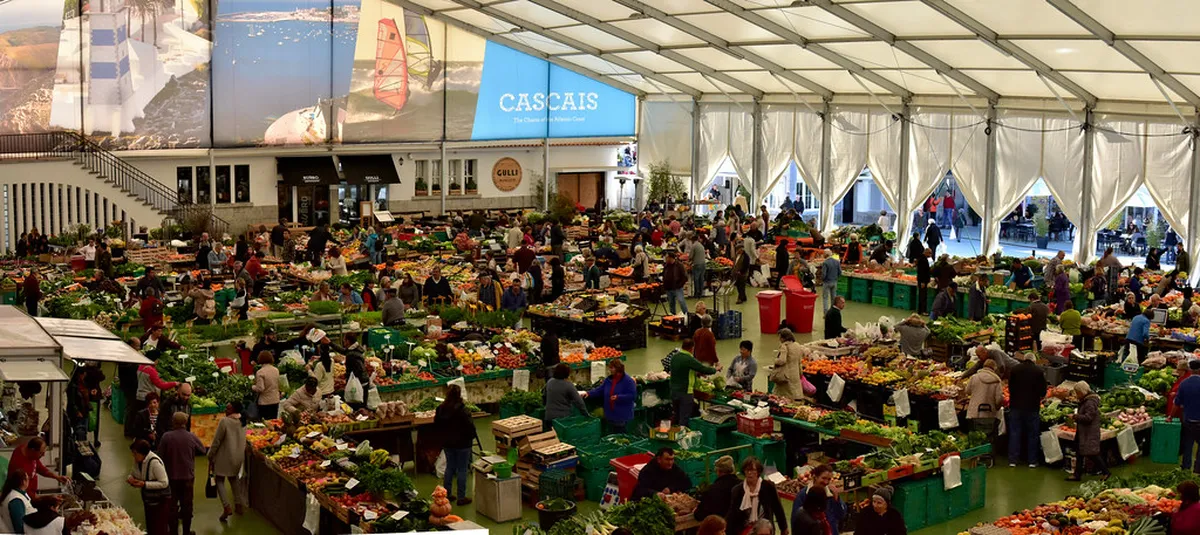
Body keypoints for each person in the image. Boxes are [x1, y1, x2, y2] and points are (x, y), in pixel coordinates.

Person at [157, 412, 206, 535]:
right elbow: (203, 450)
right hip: (188, 477)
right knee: (187, 506)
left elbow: (159, 456)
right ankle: (186, 531)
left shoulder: (166, 437)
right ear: (185, 423)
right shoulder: (191, 436)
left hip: (171, 477)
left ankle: (173, 532)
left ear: (173, 422)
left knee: (172, 506)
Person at [435, 384, 476, 506]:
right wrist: (471, 437)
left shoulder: (441, 409)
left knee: (450, 467)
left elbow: (437, 425)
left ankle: (446, 494)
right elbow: (469, 427)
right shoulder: (462, 410)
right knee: (462, 469)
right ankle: (461, 497)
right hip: (463, 444)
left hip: (448, 443)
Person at [726, 457, 788, 535]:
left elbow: (778, 508)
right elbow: (733, 514)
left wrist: (784, 528)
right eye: (747, 470)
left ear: (758, 472)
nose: (749, 473)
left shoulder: (768, 487)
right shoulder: (737, 490)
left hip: (765, 529)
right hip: (745, 530)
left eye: (752, 470)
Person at [208, 401, 247, 521]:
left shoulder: (224, 421)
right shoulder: (243, 421)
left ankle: (226, 506)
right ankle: (238, 504)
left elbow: (217, 441)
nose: (226, 410)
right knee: (233, 479)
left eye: (228, 409)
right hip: (238, 457)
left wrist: (210, 455)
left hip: (225, 456)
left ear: (234, 410)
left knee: (219, 479)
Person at [1008, 352, 1047, 468]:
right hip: (1032, 407)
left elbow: (1010, 387)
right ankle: (1032, 461)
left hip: (1015, 406)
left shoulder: (1015, 370)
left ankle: (1013, 460)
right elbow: (1043, 392)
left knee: (1014, 433)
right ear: (1034, 360)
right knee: (1032, 434)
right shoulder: (1039, 371)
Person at [669, 339, 718, 426]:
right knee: (684, 418)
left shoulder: (675, 357)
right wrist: (715, 369)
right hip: (685, 392)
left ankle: (674, 433)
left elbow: (682, 370)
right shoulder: (689, 359)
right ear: (692, 348)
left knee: (677, 415)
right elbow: (704, 369)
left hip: (674, 391)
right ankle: (683, 436)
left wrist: (697, 373)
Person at [1068, 381, 1109, 481]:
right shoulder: (1086, 400)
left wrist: (1075, 417)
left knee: (1092, 453)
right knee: (1079, 452)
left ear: (1082, 391)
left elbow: (1088, 417)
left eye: (1078, 392)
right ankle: (1077, 474)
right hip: (1083, 431)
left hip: (1088, 432)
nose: (1077, 395)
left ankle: (1106, 472)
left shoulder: (1090, 402)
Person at [128, 439, 171, 535]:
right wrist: (130, 478)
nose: (133, 456)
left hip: (160, 500)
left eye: (135, 453)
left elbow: (164, 482)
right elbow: (133, 473)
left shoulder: (155, 463)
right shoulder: (138, 461)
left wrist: (144, 484)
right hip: (149, 499)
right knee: (151, 525)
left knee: (159, 527)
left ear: (143, 453)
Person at [584, 360, 637, 434]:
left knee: (620, 434)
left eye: (612, 368)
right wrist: (588, 393)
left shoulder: (628, 381)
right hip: (610, 414)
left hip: (621, 415)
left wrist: (618, 397)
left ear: (618, 369)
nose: (610, 370)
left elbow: (632, 396)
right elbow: (600, 390)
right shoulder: (608, 380)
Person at [791, 465, 846, 535]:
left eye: (829, 479)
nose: (826, 482)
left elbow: (841, 515)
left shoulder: (831, 494)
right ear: (815, 477)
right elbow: (795, 521)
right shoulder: (803, 495)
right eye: (823, 478)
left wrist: (837, 500)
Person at [967, 360, 1004, 447]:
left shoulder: (974, 377)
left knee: (975, 436)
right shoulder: (997, 381)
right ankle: (989, 451)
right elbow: (998, 399)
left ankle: (975, 453)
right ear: (994, 368)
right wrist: (998, 407)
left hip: (974, 413)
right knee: (989, 436)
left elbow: (967, 391)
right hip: (990, 415)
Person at [695, 455, 740, 521]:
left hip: (721, 527)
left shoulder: (712, 490)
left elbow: (699, 515)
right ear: (733, 469)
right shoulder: (742, 485)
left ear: (718, 471)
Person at [23, 495, 95, 535]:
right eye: (57, 507)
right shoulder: (60, 522)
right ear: (51, 508)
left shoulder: (25, 521)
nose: (58, 510)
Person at [1176, 359, 1200, 471]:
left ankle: (1186, 467)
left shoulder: (1184, 383)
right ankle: (1198, 469)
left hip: (1188, 420)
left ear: (1190, 369)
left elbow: (1177, 403)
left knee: (1188, 445)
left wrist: (1170, 416)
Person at [770, 329, 804, 401]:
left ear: (783, 337)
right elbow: (800, 361)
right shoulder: (797, 345)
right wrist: (800, 373)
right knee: (795, 395)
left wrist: (775, 361)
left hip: (786, 375)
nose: (779, 339)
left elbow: (782, 360)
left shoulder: (784, 346)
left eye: (780, 337)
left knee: (782, 396)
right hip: (795, 374)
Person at [252, 350, 281, 420]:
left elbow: (260, 388)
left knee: (265, 423)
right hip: (275, 400)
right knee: (274, 421)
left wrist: (253, 387)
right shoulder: (276, 370)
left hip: (264, 402)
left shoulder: (260, 372)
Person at [690, 233, 708, 298]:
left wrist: (689, 260)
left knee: (696, 279)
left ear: (692, 240)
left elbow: (690, 256)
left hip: (697, 264)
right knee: (701, 279)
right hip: (703, 264)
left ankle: (696, 293)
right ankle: (701, 292)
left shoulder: (694, 246)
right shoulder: (701, 245)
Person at [916, 248, 932, 314]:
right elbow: (922, 271)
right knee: (923, 296)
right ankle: (922, 311)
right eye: (930, 253)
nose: (931, 255)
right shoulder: (922, 260)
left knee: (922, 295)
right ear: (926, 252)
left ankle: (921, 310)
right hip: (923, 281)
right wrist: (922, 281)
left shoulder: (922, 258)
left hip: (922, 280)